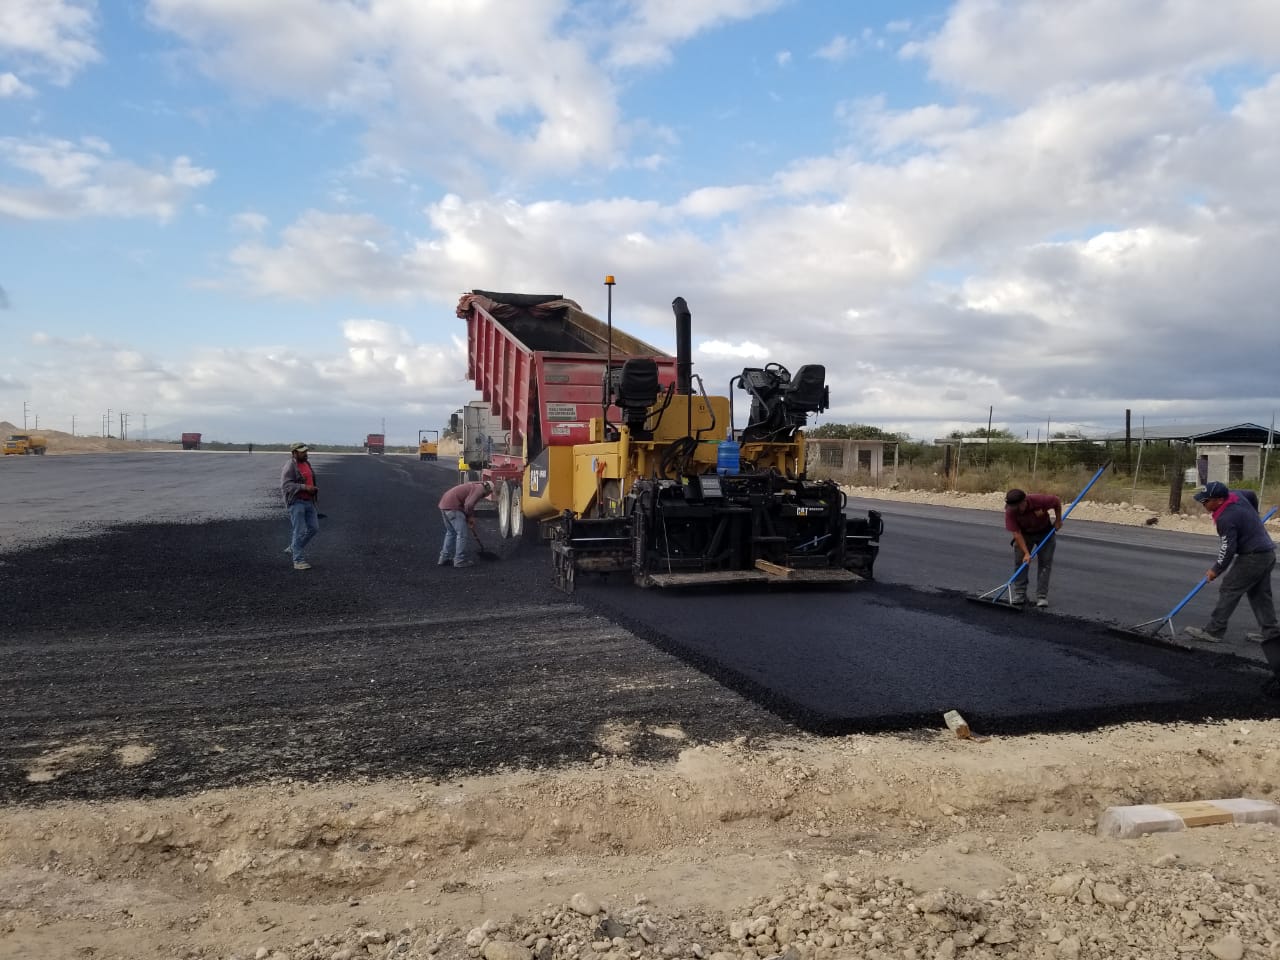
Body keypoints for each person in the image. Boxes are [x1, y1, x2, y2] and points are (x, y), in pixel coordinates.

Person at [1183, 482, 1279, 664]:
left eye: (1206, 501)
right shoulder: (1236, 495)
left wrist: (1215, 570)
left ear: (1219, 500)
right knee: (1260, 594)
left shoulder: (1226, 518)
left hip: (1253, 557)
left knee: (1229, 589)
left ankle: (1214, 631)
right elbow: (1251, 494)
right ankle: (1271, 633)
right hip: (1267, 553)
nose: (1203, 504)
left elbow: (1228, 549)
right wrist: (1253, 515)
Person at [1004, 488, 1063, 608]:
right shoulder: (1010, 511)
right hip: (1024, 535)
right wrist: (1026, 553)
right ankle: (1020, 594)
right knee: (1021, 562)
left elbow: (1057, 501)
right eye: (1012, 507)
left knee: (1045, 564)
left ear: (1024, 501)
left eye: (1017, 507)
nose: (1015, 510)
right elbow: (1017, 534)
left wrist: (1058, 520)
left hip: (1045, 533)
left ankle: (1042, 596)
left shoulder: (1039, 500)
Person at [281, 442, 319, 571]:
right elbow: (286, 486)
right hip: (297, 502)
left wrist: (312, 489)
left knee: (314, 528)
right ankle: (298, 560)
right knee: (299, 531)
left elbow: (310, 479)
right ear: (294, 453)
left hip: (309, 501)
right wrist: (305, 487)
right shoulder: (290, 466)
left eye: (306, 451)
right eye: (302, 452)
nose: (305, 454)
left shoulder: (306, 463)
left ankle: (294, 547)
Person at [438, 479, 493, 568]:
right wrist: (470, 517)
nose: (488, 495)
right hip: (453, 507)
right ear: (488, 491)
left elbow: (466, 503)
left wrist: (467, 518)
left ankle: (444, 558)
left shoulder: (475, 486)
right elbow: (469, 505)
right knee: (462, 534)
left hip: (444, 505)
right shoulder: (480, 490)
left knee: (451, 532)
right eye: (490, 493)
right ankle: (459, 560)